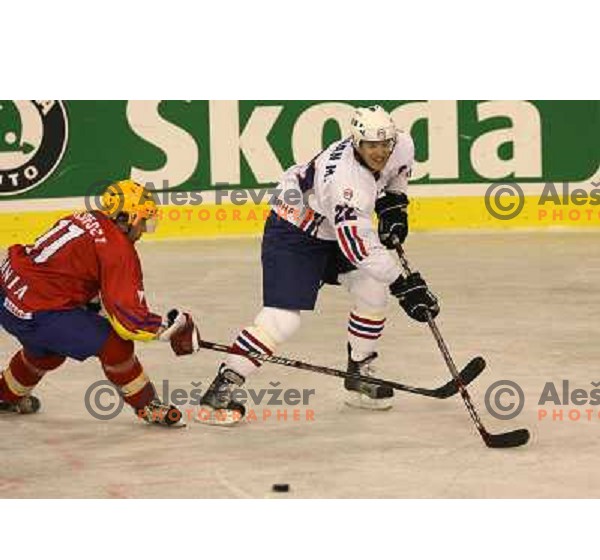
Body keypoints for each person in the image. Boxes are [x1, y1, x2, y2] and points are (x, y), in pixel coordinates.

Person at [197, 105, 439, 426]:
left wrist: (394, 208)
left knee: (372, 289)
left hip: (333, 227)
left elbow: (394, 181)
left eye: (385, 144)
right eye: (371, 145)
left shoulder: (403, 144)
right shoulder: (346, 183)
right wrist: (404, 286)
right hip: (296, 231)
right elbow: (359, 247)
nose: (380, 152)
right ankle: (222, 387)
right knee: (282, 320)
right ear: (356, 143)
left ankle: (359, 373)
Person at [0, 179, 199, 426]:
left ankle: (4, 394)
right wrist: (173, 326)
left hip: (8, 293)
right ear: (129, 218)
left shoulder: (84, 218)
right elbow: (131, 322)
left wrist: (96, 309)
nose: (145, 229)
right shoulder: (118, 249)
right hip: (39, 309)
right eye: (144, 220)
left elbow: (70, 277)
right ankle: (148, 406)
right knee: (116, 344)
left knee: (46, 353)